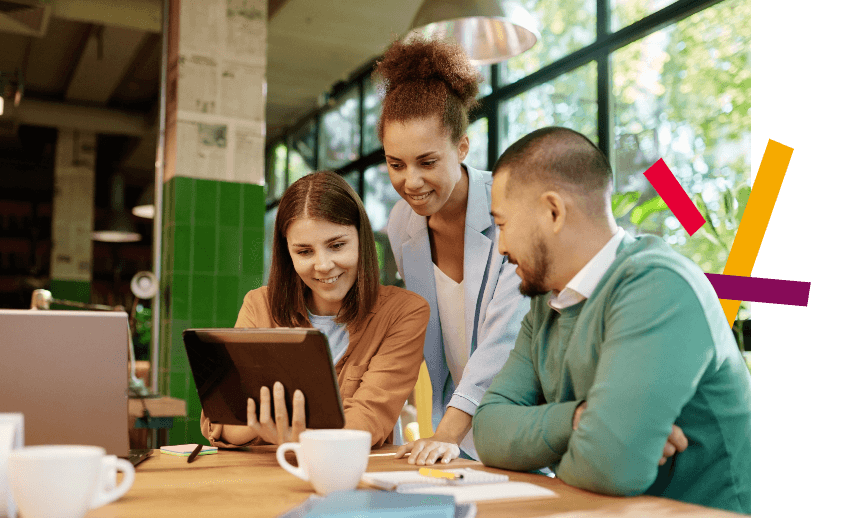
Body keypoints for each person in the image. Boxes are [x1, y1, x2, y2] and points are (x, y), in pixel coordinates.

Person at [473, 127, 752, 513]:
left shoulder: (658, 286)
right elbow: (487, 431)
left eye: (502, 225)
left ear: (553, 211)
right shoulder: (545, 305)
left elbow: (610, 467)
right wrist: (577, 420)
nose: (501, 247)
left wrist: (592, 441)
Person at [377, 37, 530, 465]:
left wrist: (445, 435)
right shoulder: (401, 223)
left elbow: (504, 338)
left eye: (427, 162)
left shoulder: (508, 208)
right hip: (455, 441)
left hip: (520, 422)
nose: (411, 182)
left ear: (462, 148)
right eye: (396, 164)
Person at [200, 171, 429, 449]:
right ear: (287, 253)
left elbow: (367, 423)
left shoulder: (405, 312)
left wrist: (272, 423)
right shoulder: (259, 305)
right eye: (304, 252)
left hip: (350, 479)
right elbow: (221, 422)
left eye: (336, 245)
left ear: (362, 239)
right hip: (264, 477)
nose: (322, 265)